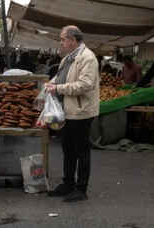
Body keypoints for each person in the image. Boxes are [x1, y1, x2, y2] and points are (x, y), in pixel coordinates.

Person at [45, 26, 100, 202]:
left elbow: (85, 85)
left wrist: (58, 88)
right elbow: (60, 77)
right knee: (68, 149)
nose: (61, 43)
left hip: (81, 111)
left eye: (63, 39)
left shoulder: (87, 58)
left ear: (73, 40)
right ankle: (68, 184)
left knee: (82, 151)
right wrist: (49, 85)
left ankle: (81, 189)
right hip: (66, 111)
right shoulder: (68, 58)